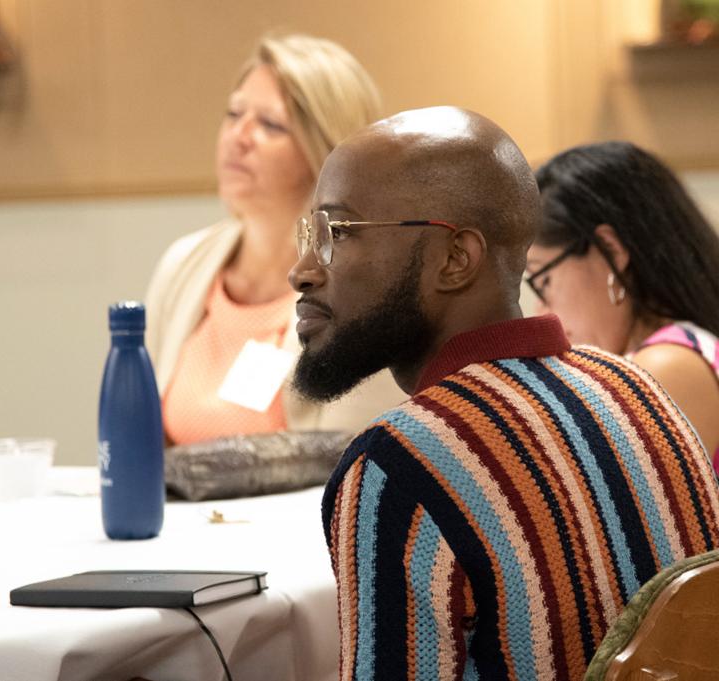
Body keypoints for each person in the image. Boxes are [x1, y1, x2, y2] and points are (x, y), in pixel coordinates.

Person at [288, 106, 719, 679]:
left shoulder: (399, 465)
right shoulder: (640, 392)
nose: (303, 269)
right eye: (310, 235)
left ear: (455, 259)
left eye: (337, 233)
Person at [145, 33, 403, 446]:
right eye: (233, 114)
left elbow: (348, 462)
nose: (239, 137)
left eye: (270, 124)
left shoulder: (362, 288)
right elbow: (146, 440)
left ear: (327, 151)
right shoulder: (183, 265)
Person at [528, 141, 719, 474]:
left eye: (543, 280)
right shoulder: (680, 353)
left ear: (611, 250)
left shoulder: (667, 366)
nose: (540, 311)